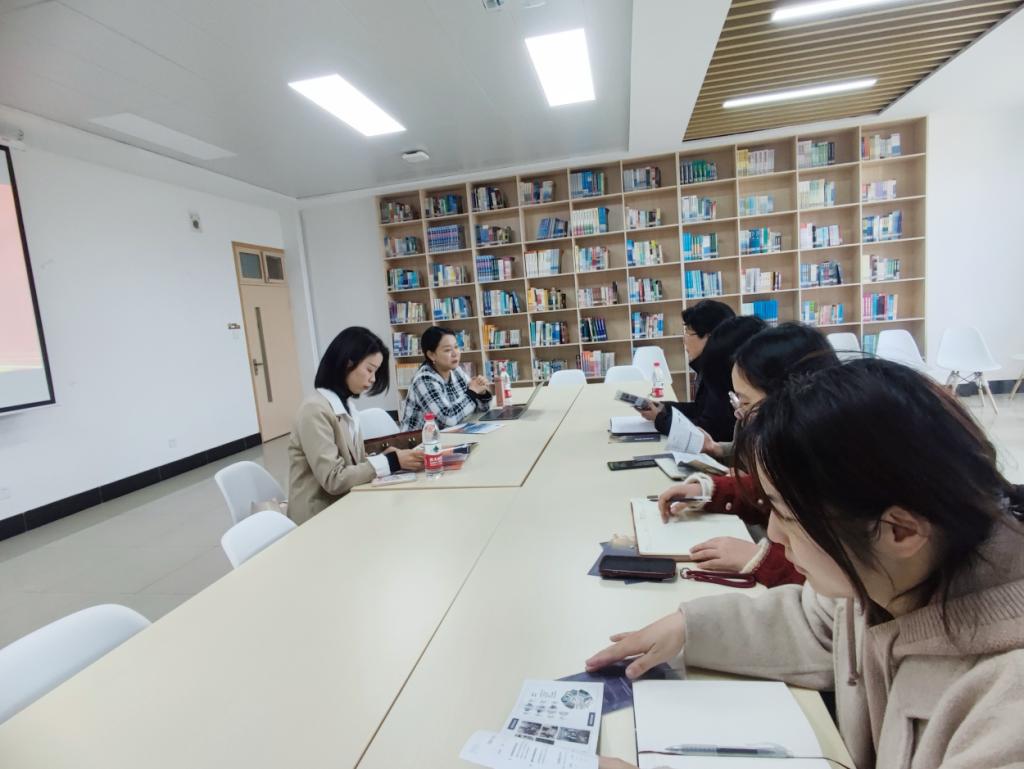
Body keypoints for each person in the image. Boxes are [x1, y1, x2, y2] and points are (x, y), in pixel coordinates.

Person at [589, 360, 1024, 769]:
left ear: (900, 532)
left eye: (788, 515)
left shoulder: (1006, 705)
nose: (773, 534)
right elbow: (818, 623)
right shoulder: (891, 580)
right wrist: (689, 626)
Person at [659, 323, 839, 586]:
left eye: (744, 402)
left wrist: (761, 559)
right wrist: (710, 491)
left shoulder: (831, 471)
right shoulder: (798, 450)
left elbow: (837, 584)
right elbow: (764, 492)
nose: (739, 414)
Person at [287, 327, 423, 524]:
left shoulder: (347, 406)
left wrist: (382, 457)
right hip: (318, 518)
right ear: (347, 363)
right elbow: (334, 479)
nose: (373, 379)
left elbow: (353, 464)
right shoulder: (314, 410)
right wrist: (391, 462)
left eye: (375, 372)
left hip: (345, 504)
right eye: (369, 369)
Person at [640, 313, 765, 441]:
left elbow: (710, 430)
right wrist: (665, 408)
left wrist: (661, 419)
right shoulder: (717, 370)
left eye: (688, 333)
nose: (684, 339)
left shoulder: (722, 373)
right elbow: (701, 410)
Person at [400, 326, 492, 430]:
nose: (455, 353)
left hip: (450, 434)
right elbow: (449, 419)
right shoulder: (424, 380)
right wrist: (473, 392)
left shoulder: (456, 371)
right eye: (447, 350)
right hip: (421, 439)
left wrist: (482, 393)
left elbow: (480, 409)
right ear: (431, 355)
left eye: (456, 347)